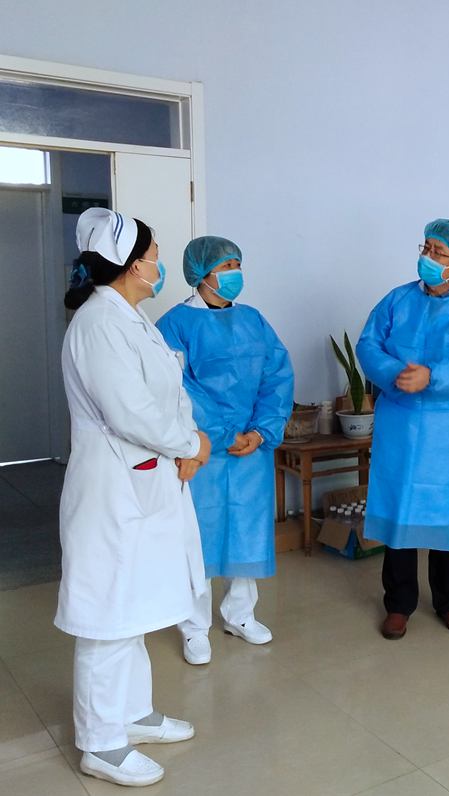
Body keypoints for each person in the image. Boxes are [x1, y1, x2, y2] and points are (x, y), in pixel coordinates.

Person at [58, 208, 211, 787]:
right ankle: (101, 743)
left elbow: (170, 393)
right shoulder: (98, 323)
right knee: (108, 614)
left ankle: (134, 714)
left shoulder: (132, 319)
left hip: (147, 481)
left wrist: (189, 439)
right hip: (112, 490)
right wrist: (190, 444)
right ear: (130, 265)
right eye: (152, 255)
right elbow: (131, 412)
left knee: (137, 603)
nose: (158, 264)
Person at [357, 219, 449, 640]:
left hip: (447, 429)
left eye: (439, 252)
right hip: (399, 422)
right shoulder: (397, 300)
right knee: (400, 508)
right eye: (426, 248)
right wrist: (397, 374)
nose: (429, 257)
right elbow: (368, 345)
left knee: (445, 512)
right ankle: (399, 603)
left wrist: (432, 376)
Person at [156, 236, 293, 665]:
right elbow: (179, 387)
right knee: (199, 535)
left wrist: (262, 431)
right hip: (202, 449)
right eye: (226, 266)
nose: (235, 272)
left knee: (247, 530)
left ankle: (240, 614)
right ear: (202, 273)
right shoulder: (175, 325)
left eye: (237, 264)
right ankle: (194, 627)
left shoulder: (253, 320)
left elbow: (277, 375)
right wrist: (223, 432)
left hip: (252, 447)